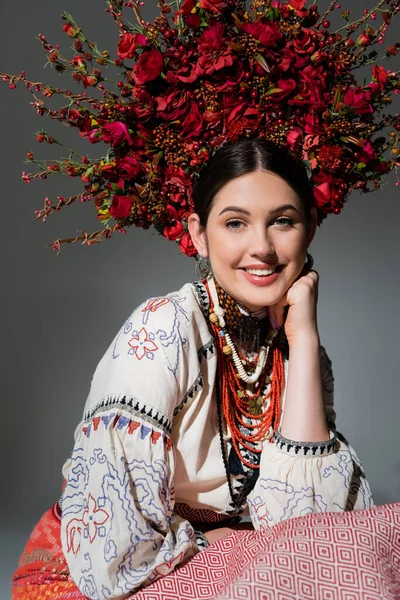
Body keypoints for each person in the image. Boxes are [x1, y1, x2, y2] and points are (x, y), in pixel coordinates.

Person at [12, 139, 375, 600]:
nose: (261, 247)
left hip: (214, 557)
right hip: (109, 576)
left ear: (311, 228)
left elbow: (313, 530)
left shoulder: (297, 348)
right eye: (235, 223)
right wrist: (232, 544)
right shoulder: (162, 329)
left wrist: (304, 340)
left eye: (282, 221)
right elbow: (118, 552)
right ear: (199, 234)